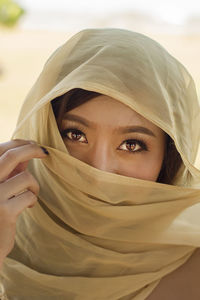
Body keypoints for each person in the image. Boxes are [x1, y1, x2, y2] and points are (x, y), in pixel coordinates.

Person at [0, 28, 200, 299]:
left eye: (132, 144)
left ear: (169, 158)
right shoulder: (8, 228)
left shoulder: (192, 265)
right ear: (44, 133)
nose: (99, 169)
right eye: (75, 134)